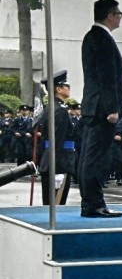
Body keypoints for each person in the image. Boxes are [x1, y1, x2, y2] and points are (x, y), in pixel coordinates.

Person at [79, 0, 122, 218]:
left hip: (94, 105)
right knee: (96, 158)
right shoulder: (102, 39)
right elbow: (107, 76)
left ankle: (90, 202)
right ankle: (94, 204)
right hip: (102, 108)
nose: (120, 18)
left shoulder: (93, 36)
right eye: (119, 14)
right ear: (110, 15)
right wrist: (112, 108)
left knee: (90, 156)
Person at [37, 71, 75, 205]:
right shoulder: (60, 110)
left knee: (50, 203)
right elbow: (57, 140)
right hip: (59, 162)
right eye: (66, 86)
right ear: (58, 89)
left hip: (51, 160)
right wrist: (57, 169)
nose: (69, 89)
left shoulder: (51, 107)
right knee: (56, 204)